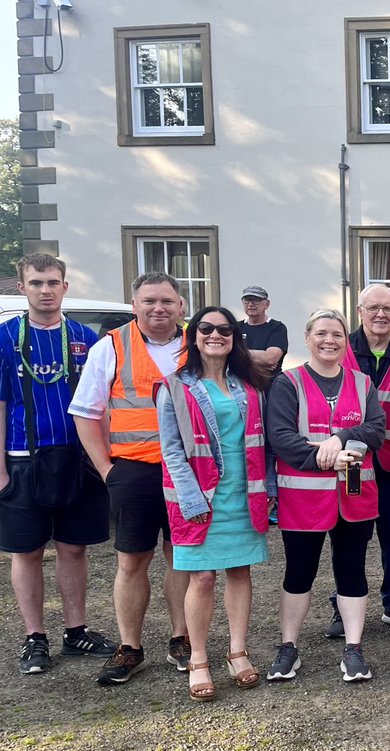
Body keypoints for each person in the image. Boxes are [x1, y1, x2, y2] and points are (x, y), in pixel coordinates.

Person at [70, 272, 191, 685]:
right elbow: (86, 413)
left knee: (183, 556)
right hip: (133, 470)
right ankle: (130, 647)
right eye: (149, 301)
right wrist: (107, 470)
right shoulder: (112, 346)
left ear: (181, 306)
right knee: (132, 561)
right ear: (135, 304)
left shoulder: (200, 342)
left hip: (188, 470)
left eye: (167, 301)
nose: (159, 309)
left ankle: (182, 638)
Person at [0, 254, 117, 675]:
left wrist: (105, 460)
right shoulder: (4, 337)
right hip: (22, 459)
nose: (45, 290)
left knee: (73, 548)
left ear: (65, 287)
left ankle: (75, 631)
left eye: (52, 282)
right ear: (22, 288)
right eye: (36, 283)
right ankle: (34, 637)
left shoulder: (87, 338)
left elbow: (103, 406)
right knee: (27, 551)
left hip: (78, 460)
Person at [157, 306, 273, 701]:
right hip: (199, 496)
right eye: (206, 328)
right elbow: (171, 451)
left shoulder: (250, 386)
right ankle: (200, 659)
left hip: (244, 493)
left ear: (235, 337)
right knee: (202, 578)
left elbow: (263, 444)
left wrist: (267, 488)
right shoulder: (174, 386)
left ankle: (237, 652)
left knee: (240, 572)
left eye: (225, 329)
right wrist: (190, 498)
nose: (215, 335)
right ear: (193, 335)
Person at [265, 309, 385, 683]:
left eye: (336, 333)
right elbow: (281, 437)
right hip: (303, 500)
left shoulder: (363, 383)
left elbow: (377, 430)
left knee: (352, 572)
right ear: (308, 337)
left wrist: (341, 438)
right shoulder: (288, 383)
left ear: (344, 340)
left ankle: (353, 649)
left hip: (355, 497)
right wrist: (323, 458)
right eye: (321, 333)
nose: (329, 340)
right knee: (299, 573)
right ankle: (289, 648)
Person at [324, 284, 390, 638]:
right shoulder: (340, 349)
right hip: (350, 465)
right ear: (360, 310)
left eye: (388, 309)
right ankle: (342, 604)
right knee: (348, 539)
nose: (380, 315)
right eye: (373, 308)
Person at [239, 286, 287, 378]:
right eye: (246, 300)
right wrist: (260, 363)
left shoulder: (277, 328)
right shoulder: (237, 327)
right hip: (241, 385)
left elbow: (270, 358)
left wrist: (239, 356)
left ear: (267, 304)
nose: (250, 304)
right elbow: (227, 357)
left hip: (269, 386)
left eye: (256, 300)